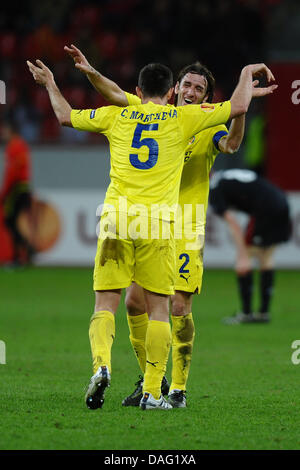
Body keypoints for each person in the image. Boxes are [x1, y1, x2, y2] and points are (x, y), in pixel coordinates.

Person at [27, 56, 276, 411]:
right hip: (158, 223)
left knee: (177, 305)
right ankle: (150, 382)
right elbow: (115, 91)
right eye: (187, 85)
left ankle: (177, 387)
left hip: (184, 222)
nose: (191, 92)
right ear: (174, 89)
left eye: (199, 88)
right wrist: (94, 72)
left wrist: (240, 111)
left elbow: (232, 145)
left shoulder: (202, 121)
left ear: (205, 95)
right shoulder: (171, 116)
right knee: (134, 301)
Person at [209, 169, 292, 324]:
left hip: (265, 209)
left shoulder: (214, 188)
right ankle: (263, 313)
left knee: (244, 261)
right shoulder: (225, 175)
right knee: (266, 258)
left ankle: (247, 313)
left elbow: (233, 223)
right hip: (281, 203)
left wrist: (241, 254)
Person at [0, 118, 34, 266]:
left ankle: (19, 256)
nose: (2, 134)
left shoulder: (14, 147)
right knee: (14, 223)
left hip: (16, 190)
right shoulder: (22, 146)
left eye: (4, 130)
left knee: (10, 222)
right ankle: (24, 253)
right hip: (24, 188)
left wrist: (4, 193)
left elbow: (12, 173)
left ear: (10, 130)